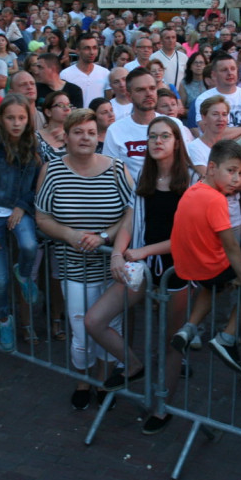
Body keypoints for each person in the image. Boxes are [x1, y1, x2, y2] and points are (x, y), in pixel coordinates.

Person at [87, 117, 192, 430]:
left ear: (176, 142)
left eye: (164, 136)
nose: (157, 141)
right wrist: (117, 254)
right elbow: (129, 222)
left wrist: (144, 251)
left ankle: (162, 407)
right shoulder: (143, 181)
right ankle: (133, 364)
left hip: (178, 271)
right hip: (143, 269)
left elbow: (187, 239)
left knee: (171, 342)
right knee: (94, 320)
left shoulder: (191, 183)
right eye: (152, 137)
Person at [36, 108, 134, 409]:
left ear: (98, 137)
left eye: (91, 132)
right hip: (73, 267)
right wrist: (68, 234)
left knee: (109, 328)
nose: (85, 138)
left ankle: (103, 380)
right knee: (79, 331)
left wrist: (104, 237)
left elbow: (131, 211)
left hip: (110, 270)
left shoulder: (118, 169)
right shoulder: (52, 170)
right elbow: (42, 217)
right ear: (66, 136)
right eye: (78, 132)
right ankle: (83, 379)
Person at [170, 140, 241, 374]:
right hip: (208, 267)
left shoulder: (193, 190)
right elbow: (231, 245)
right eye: (230, 171)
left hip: (189, 268)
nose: (236, 179)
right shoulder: (217, 199)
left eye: (240, 173)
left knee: (213, 286)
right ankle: (227, 337)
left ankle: (188, 328)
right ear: (211, 168)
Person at [0, 94, 44, 345]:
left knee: (29, 246)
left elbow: (36, 184)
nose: (16, 123)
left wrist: (22, 207)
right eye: (11, 117)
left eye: (21, 118)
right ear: (1, 119)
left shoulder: (33, 146)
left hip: (18, 211)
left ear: (28, 120)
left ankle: (23, 275)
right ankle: (4, 320)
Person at [103, 68, 161, 179]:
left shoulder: (174, 125)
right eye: (141, 90)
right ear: (129, 96)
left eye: (152, 88)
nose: (148, 94)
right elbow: (110, 174)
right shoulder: (115, 131)